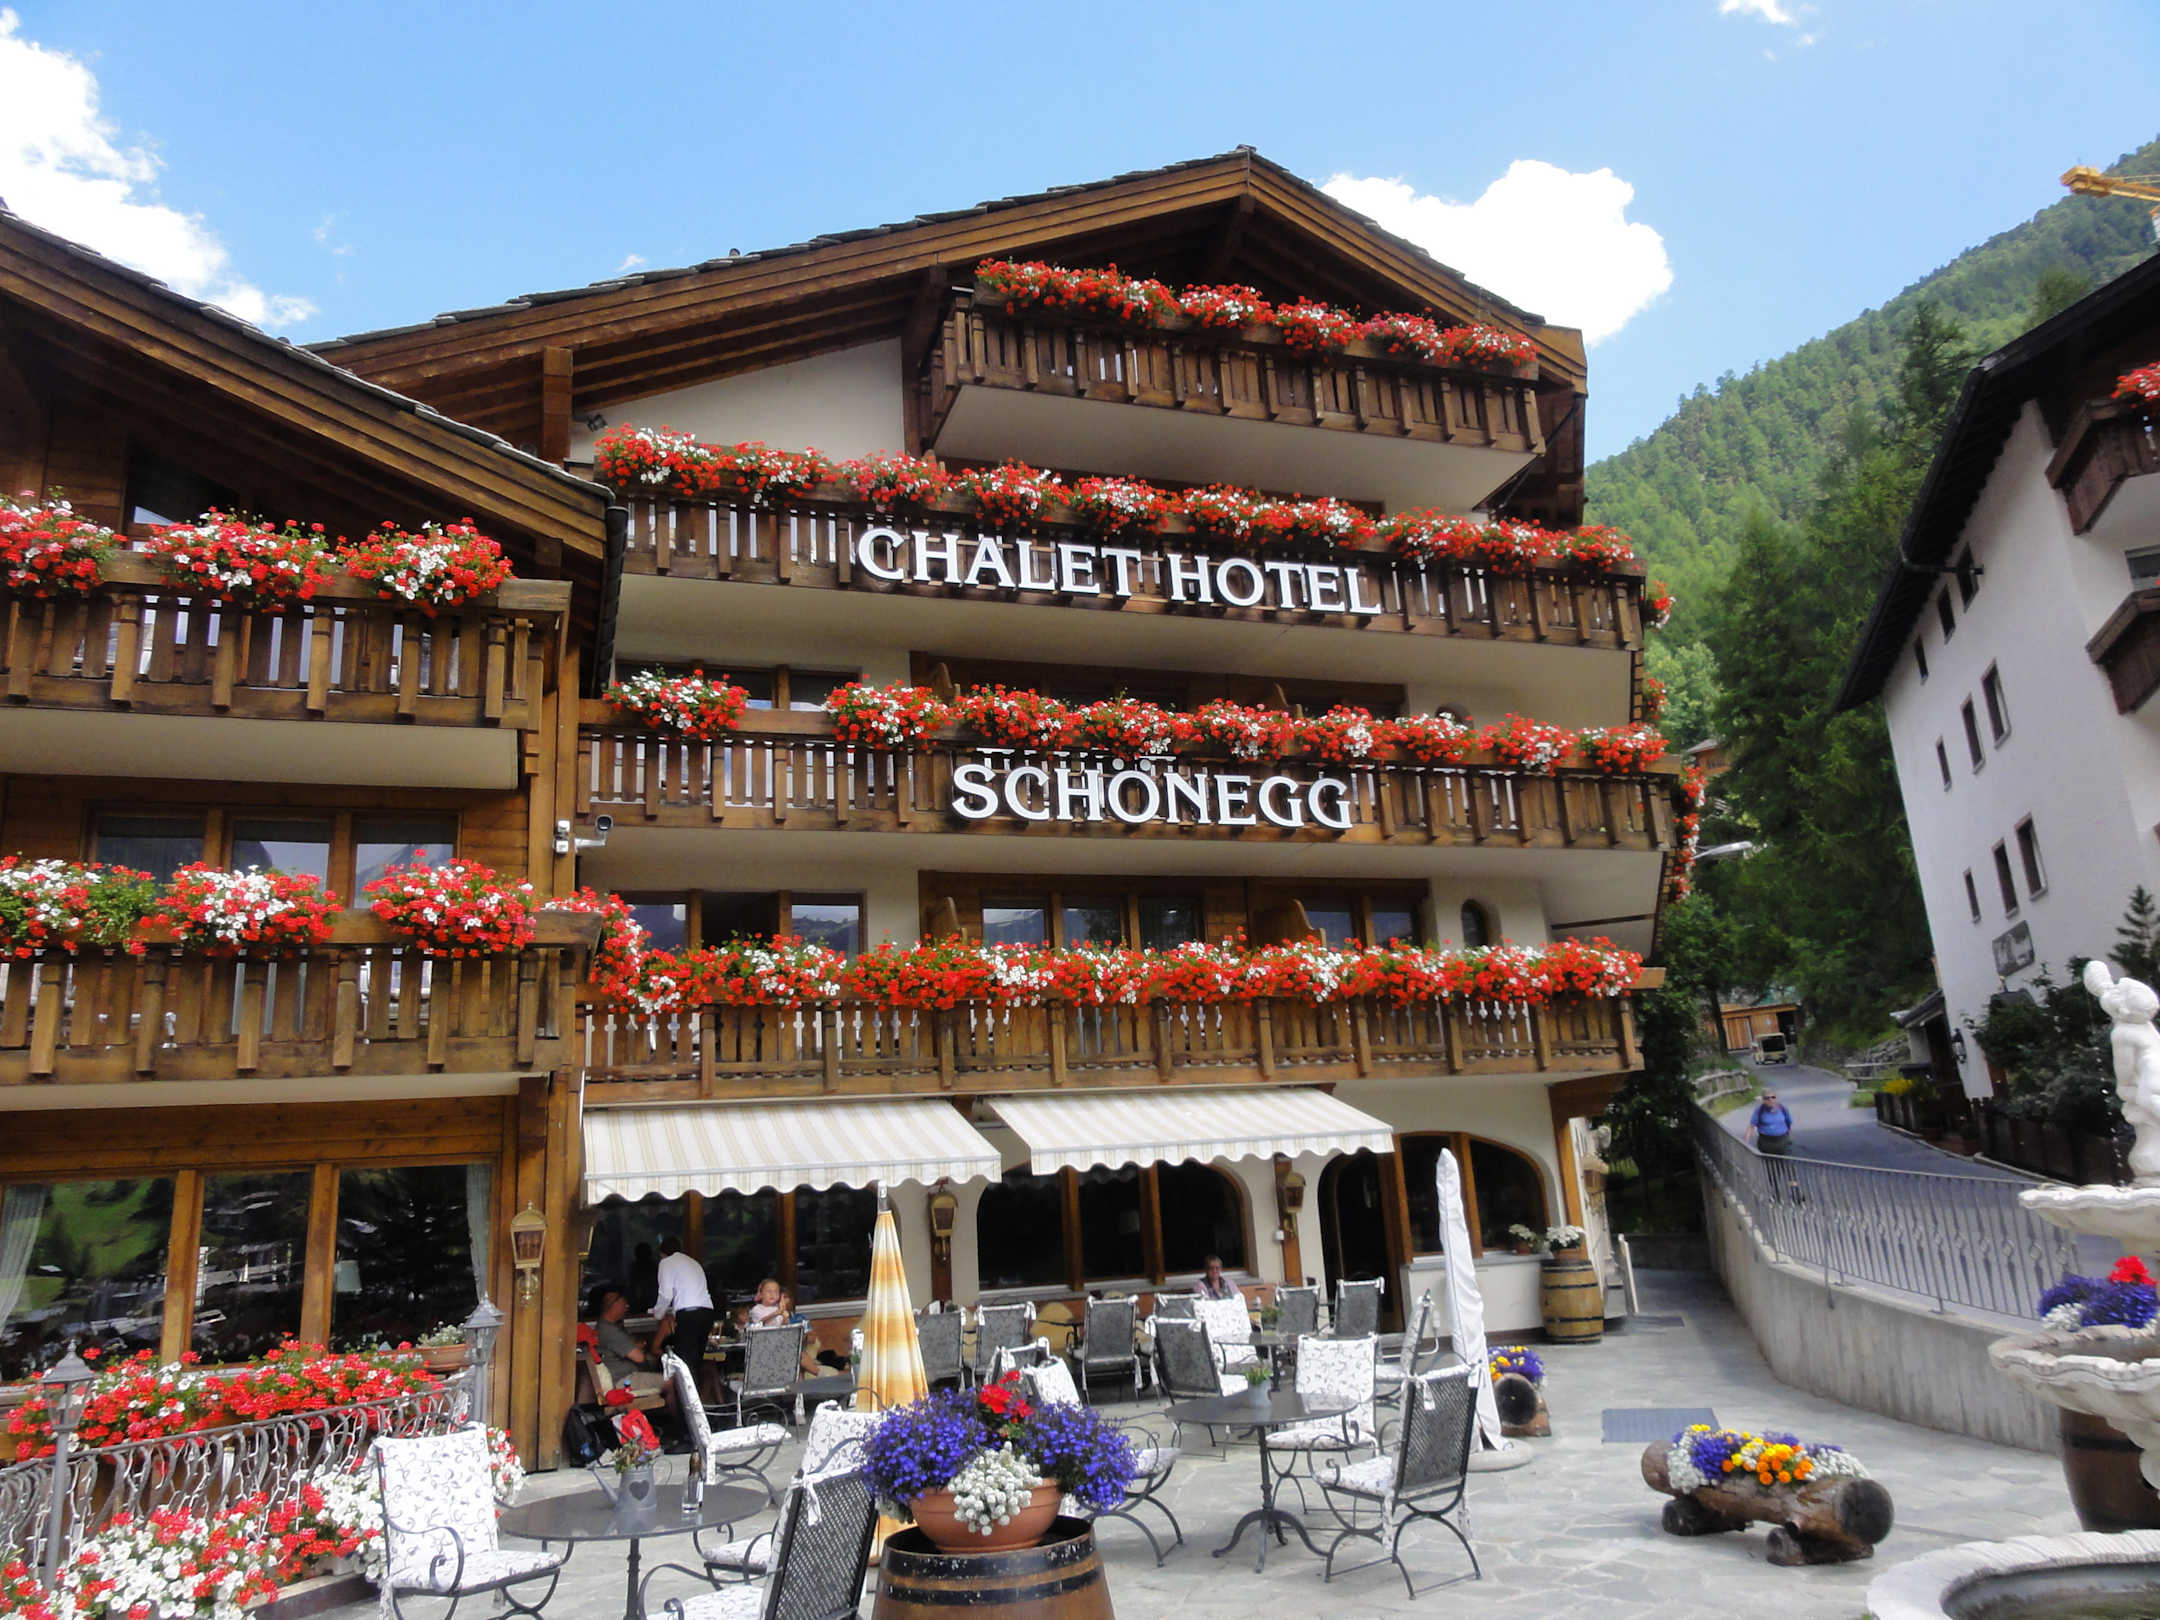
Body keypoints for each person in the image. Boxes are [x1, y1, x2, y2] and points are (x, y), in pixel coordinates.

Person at [651, 1236, 715, 1367]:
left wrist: (658, 1314)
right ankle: (696, 1381)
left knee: (685, 1362)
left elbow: (666, 1294)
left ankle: (689, 1381)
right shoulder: (693, 1262)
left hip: (689, 1314)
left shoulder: (666, 1262)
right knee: (697, 1359)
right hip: (707, 1312)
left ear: (662, 1253)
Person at [592, 1288, 664, 1398]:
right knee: (672, 1381)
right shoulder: (609, 1330)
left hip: (626, 1376)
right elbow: (639, 1357)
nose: (626, 1307)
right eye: (624, 1303)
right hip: (623, 1380)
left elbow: (634, 1344)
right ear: (613, 1304)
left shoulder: (610, 1326)